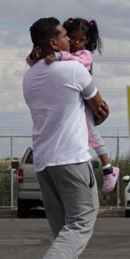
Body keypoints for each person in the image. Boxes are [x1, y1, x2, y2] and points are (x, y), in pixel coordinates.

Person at [18, 17, 109, 259]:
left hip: (43, 161)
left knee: (62, 229)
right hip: (72, 158)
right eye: (63, 35)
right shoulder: (74, 69)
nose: (70, 38)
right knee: (82, 221)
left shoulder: (29, 77)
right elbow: (101, 108)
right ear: (54, 43)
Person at [26, 17, 119, 195]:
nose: (74, 42)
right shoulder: (55, 65)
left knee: (91, 132)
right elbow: (33, 62)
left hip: (79, 105)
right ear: (56, 41)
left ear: (88, 41)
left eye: (81, 40)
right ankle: (108, 168)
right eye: (70, 36)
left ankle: (108, 167)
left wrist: (57, 56)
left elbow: (78, 65)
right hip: (68, 148)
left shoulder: (81, 58)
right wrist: (35, 54)